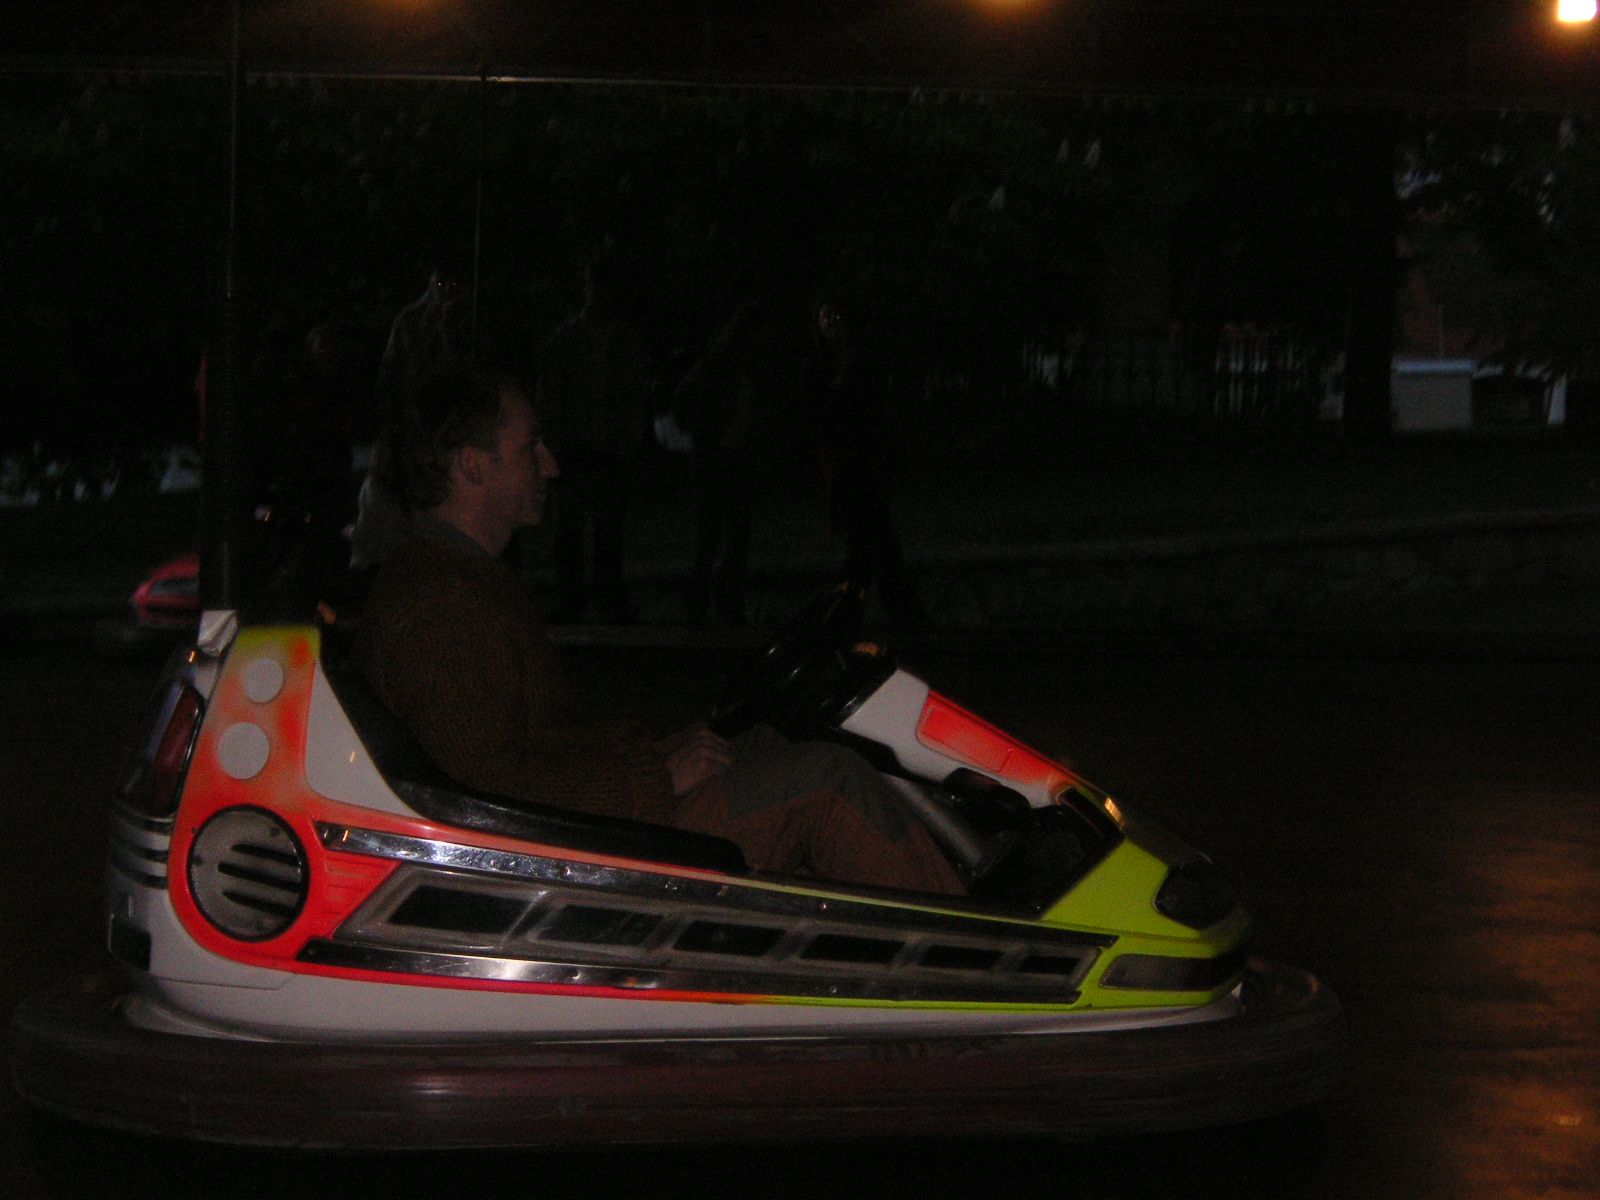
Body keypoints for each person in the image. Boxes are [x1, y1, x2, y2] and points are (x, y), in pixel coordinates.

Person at [355, 369, 963, 896]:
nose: (552, 464)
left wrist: (656, 749)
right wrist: (656, 776)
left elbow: (542, 740)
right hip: (567, 860)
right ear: (473, 464)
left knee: (775, 742)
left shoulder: (464, 579)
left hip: (585, 824)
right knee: (827, 782)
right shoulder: (438, 604)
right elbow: (484, 789)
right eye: (530, 446)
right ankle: (974, 953)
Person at [536, 255, 652, 623]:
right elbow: (551, 394)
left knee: (606, 530)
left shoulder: (625, 340)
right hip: (575, 448)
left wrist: (627, 443)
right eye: (591, 285)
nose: (596, 293)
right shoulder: (568, 338)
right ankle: (573, 598)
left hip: (609, 449)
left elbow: (636, 396)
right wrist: (556, 443)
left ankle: (606, 598)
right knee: (570, 530)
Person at [802, 297, 926, 628]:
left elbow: (874, 410)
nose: (831, 326)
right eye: (825, 320)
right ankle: (884, 610)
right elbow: (818, 411)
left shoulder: (862, 361)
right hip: (844, 460)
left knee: (870, 536)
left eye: (837, 318)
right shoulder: (821, 365)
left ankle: (855, 611)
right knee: (870, 536)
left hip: (868, 458)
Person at [351, 259, 473, 572]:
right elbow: (391, 374)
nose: (446, 291)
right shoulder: (411, 321)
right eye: (441, 284)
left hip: (452, 426)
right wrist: (393, 420)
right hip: (413, 424)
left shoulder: (467, 319)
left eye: (452, 285)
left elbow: (467, 369)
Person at [670, 302, 779, 625]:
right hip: (716, 458)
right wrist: (709, 430)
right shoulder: (716, 367)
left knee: (737, 534)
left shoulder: (755, 369)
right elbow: (684, 403)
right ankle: (697, 602)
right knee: (710, 532)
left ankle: (728, 601)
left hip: (740, 457)